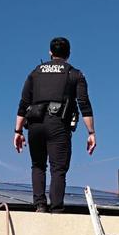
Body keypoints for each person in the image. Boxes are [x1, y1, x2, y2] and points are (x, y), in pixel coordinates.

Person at [13, 36, 95, 213]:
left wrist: (17, 131)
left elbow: (23, 103)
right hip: (58, 124)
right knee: (58, 169)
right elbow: (84, 104)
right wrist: (91, 133)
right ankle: (56, 209)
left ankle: (40, 205)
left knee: (38, 165)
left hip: (34, 124)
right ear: (69, 54)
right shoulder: (75, 74)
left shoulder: (35, 72)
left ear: (50, 52)